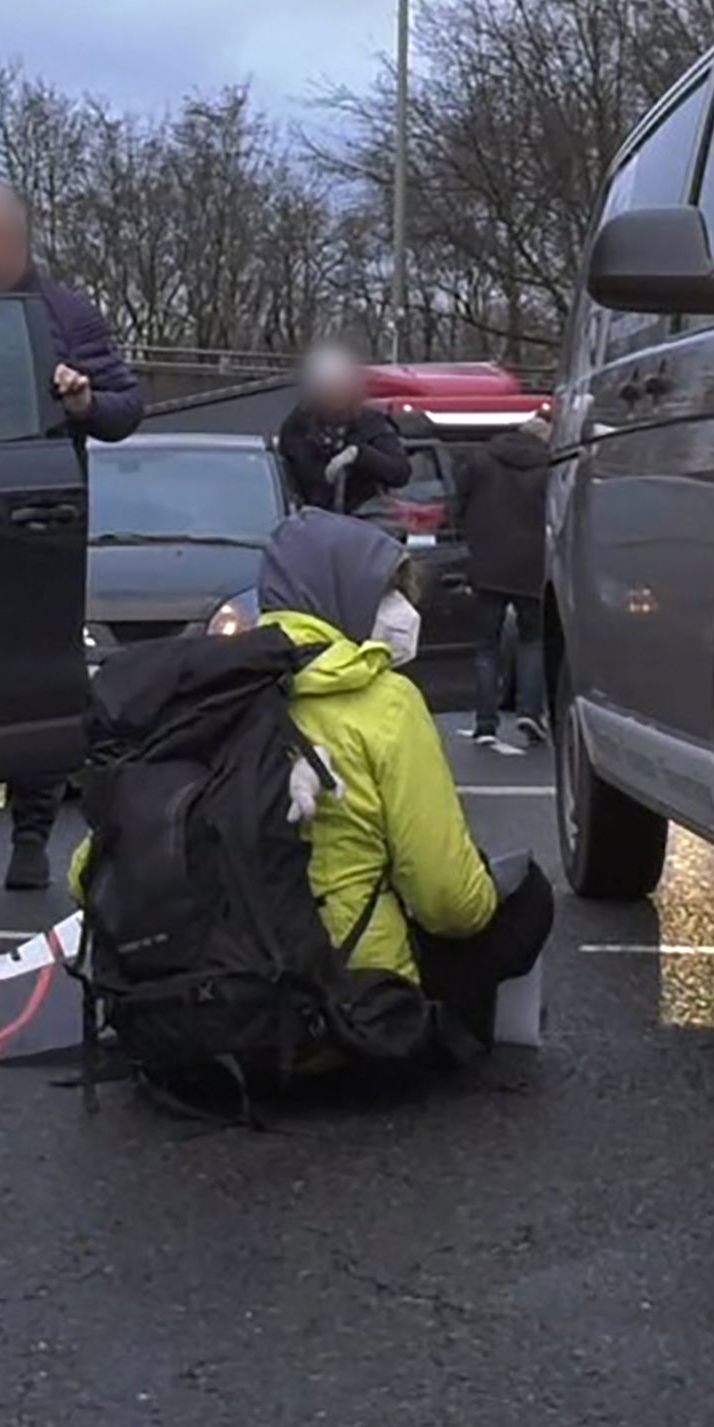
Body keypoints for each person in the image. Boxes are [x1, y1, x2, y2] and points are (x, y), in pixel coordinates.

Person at [0, 178, 145, 893]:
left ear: (14, 238)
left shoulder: (67, 315)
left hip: (40, 519)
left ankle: (31, 837)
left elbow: (126, 408)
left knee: (40, 684)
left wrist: (84, 399)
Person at [250, 510, 551, 1051]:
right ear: (340, 596)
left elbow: (90, 871)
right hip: (349, 1007)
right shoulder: (384, 702)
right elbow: (448, 902)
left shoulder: (203, 689)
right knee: (528, 895)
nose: (406, 614)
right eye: (386, 596)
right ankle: (455, 1035)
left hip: (202, 1000)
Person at [453, 408, 554, 749]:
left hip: (487, 564)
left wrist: (469, 541)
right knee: (533, 641)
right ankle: (529, 711)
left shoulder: (482, 460)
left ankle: (485, 723)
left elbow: (458, 505)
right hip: (533, 565)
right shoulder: (549, 466)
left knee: (486, 647)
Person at [274, 345, 408, 516]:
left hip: (366, 520)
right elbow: (297, 481)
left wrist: (358, 455)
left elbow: (399, 472)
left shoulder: (370, 422)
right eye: (328, 385)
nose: (335, 392)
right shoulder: (298, 428)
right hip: (314, 521)